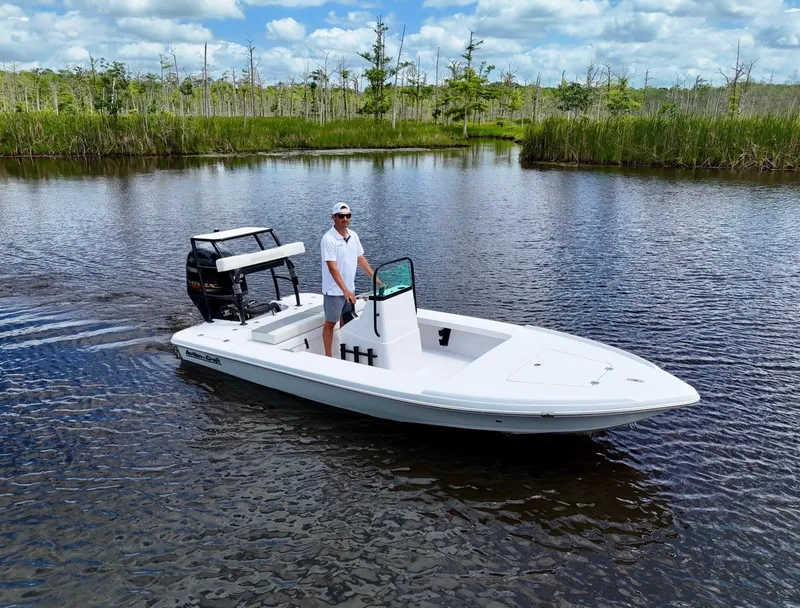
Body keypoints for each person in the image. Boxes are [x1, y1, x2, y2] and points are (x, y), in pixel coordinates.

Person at [321, 202, 378, 357]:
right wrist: (344, 290)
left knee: (346, 319)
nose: (345, 219)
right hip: (334, 291)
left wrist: (373, 276)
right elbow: (332, 268)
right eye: (341, 216)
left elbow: (360, 258)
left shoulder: (353, 236)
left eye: (348, 216)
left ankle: (346, 350)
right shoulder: (329, 239)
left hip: (349, 289)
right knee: (331, 323)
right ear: (333, 217)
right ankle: (328, 356)